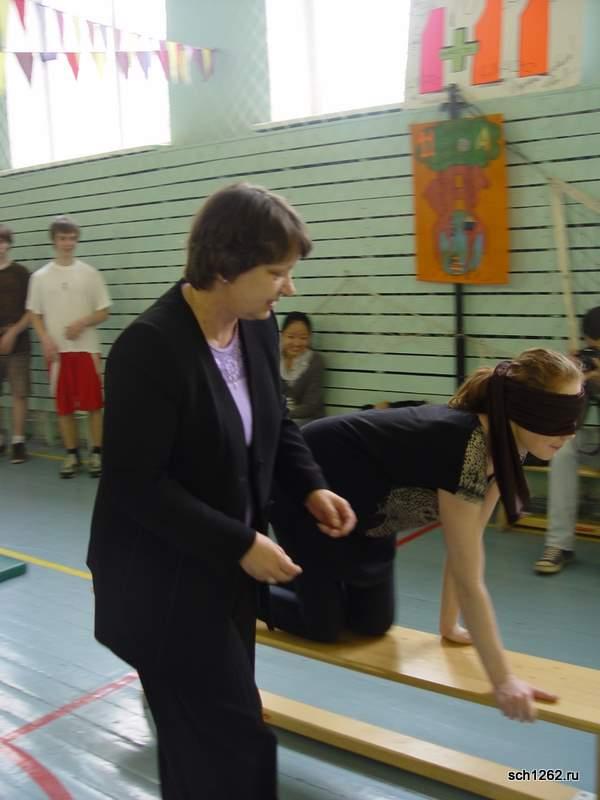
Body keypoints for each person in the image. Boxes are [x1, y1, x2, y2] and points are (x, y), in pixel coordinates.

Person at [86, 183, 356, 800]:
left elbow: (276, 423)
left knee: (204, 746)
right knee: (233, 741)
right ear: (225, 266)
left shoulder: (256, 326)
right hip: (160, 585)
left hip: (224, 578)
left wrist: (311, 487)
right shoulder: (149, 348)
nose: (288, 288)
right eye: (276, 273)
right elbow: (135, 485)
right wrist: (241, 542)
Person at [265, 348, 585, 722]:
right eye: (556, 416)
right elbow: (469, 579)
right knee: (322, 625)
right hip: (310, 493)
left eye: (575, 416)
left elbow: (468, 545)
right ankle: (241, 585)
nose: (569, 432)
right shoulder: (467, 446)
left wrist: (449, 626)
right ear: (522, 407)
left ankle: (300, 581)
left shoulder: (508, 447)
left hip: (371, 518)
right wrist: (503, 680)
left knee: (372, 625)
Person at [27, 216, 110, 478]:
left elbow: (103, 311)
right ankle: (72, 454)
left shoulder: (90, 274)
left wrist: (82, 322)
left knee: (94, 405)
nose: (68, 243)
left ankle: (96, 453)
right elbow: (34, 313)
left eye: (72, 238)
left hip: (86, 350)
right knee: (64, 407)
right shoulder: (40, 277)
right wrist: (45, 339)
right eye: (63, 238)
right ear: (54, 240)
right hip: (57, 354)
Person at [534, 306, 600, 574]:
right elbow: (572, 423)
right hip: (593, 442)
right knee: (563, 450)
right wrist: (574, 383)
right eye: (592, 347)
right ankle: (559, 546)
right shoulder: (585, 366)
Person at [0, 225, 31, 464]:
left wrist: (12, 333)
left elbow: (32, 311)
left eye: (3, 241)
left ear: (9, 244)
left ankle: (18, 441)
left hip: (18, 342)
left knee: (19, 392)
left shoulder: (21, 273)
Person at [280, 311, 325, 425]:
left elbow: (311, 406)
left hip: (309, 421)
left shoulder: (315, 361)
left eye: (303, 338)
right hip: (279, 419)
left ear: (310, 337)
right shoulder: (273, 358)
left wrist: (282, 413)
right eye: (291, 337)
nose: (297, 343)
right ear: (282, 335)